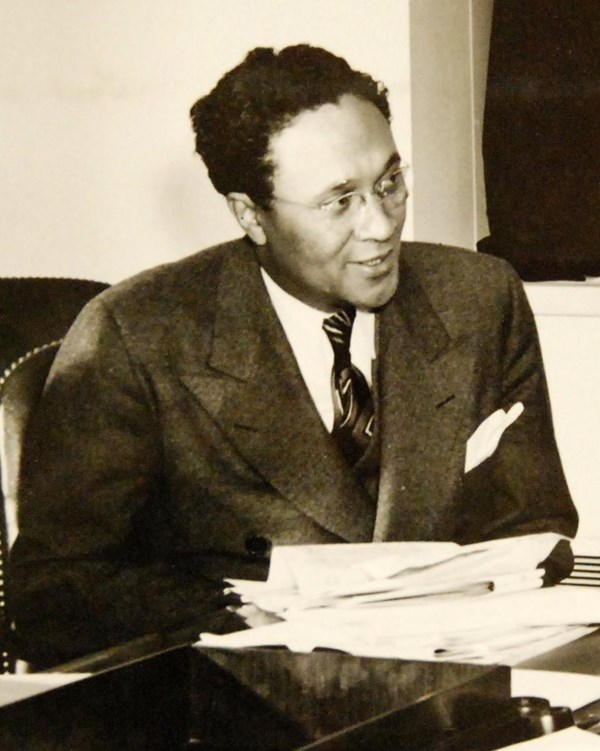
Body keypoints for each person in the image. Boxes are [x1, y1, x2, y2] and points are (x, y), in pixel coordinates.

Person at [8, 45, 577, 667]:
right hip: (239, 693)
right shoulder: (137, 332)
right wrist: (223, 613)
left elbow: (538, 528)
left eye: (390, 182)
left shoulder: (480, 297)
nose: (382, 224)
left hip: (450, 678)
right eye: (340, 201)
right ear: (250, 214)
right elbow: (53, 591)